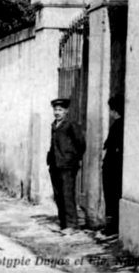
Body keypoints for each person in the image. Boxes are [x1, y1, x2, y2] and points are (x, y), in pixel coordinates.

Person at [47, 98, 86, 233]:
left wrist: (74, 159)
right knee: (59, 196)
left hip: (68, 165)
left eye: (60, 110)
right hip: (55, 165)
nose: (57, 112)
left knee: (67, 195)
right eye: (55, 110)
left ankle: (72, 226)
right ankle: (63, 223)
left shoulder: (71, 125)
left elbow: (81, 143)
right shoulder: (54, 125)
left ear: (66, 111)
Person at [102, 95, 124, 235]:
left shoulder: (118, 125)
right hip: (112, 166)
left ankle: (113, 227)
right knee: (112, 196)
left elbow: (114, 148)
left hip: (113, 167)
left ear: (115, 110)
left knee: (111, 196)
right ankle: (112, 227)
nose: (110, 113)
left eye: (111, 110)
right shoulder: (119, 124)